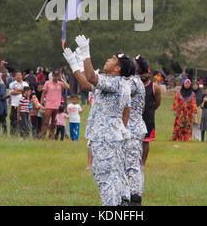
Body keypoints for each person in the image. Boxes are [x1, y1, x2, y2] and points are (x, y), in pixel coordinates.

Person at [63, 35, 132, 206]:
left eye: (112, 59)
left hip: (105, 136)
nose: (108, 60)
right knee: (112, 174)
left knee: (104, 175)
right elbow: (87, 84)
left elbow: (92, 79)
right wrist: (75, 64)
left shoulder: (114, 82)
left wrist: (86, 54)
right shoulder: (113, 81)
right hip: (109, 135)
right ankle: (120, 204)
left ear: (117, 68)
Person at [124, 56, 148, 206]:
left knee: (133, 165)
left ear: (138, 68)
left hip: (132, 128)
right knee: (132, 164)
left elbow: (118, 93)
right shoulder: (136, 81)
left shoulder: (132, 82)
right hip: (133, 126)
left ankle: (135, 197)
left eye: (133, 62)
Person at [139, 58, 161, 168]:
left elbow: (157, 103)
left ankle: (143, 163)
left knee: (145, 141)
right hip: (134, 117)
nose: (143, 75)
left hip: (148, 117)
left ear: (149, 74)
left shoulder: (154, 87)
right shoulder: (134, 84)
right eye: (141, 73)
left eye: (145, 73)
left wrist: (149, 110)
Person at [40, 70, 70, 140]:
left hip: (57, 106)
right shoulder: (48, 83)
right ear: (52, 76)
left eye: (57, 76)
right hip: (48, 105)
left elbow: (68, 87)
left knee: (54, 122)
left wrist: (61, 79)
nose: (56, 77)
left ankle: (51, 135)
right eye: (55, 76)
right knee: (46, 121)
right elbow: (43, 93)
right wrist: (41, 103)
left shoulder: (60, 83)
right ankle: (42, 136)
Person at [9, 71, 28, 136]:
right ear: (15, 76)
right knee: (13, 120)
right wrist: (22, 91)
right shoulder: (12, 84)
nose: (18, 76)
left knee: (23, 121)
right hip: (15, 105)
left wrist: (17, 90)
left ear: (22, 76)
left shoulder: (25, 83)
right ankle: (13, 135)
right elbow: (11, 92)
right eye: (17, 75)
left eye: (20, 75)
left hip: (24, 106)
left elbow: (27, 92)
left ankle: (23, 135)